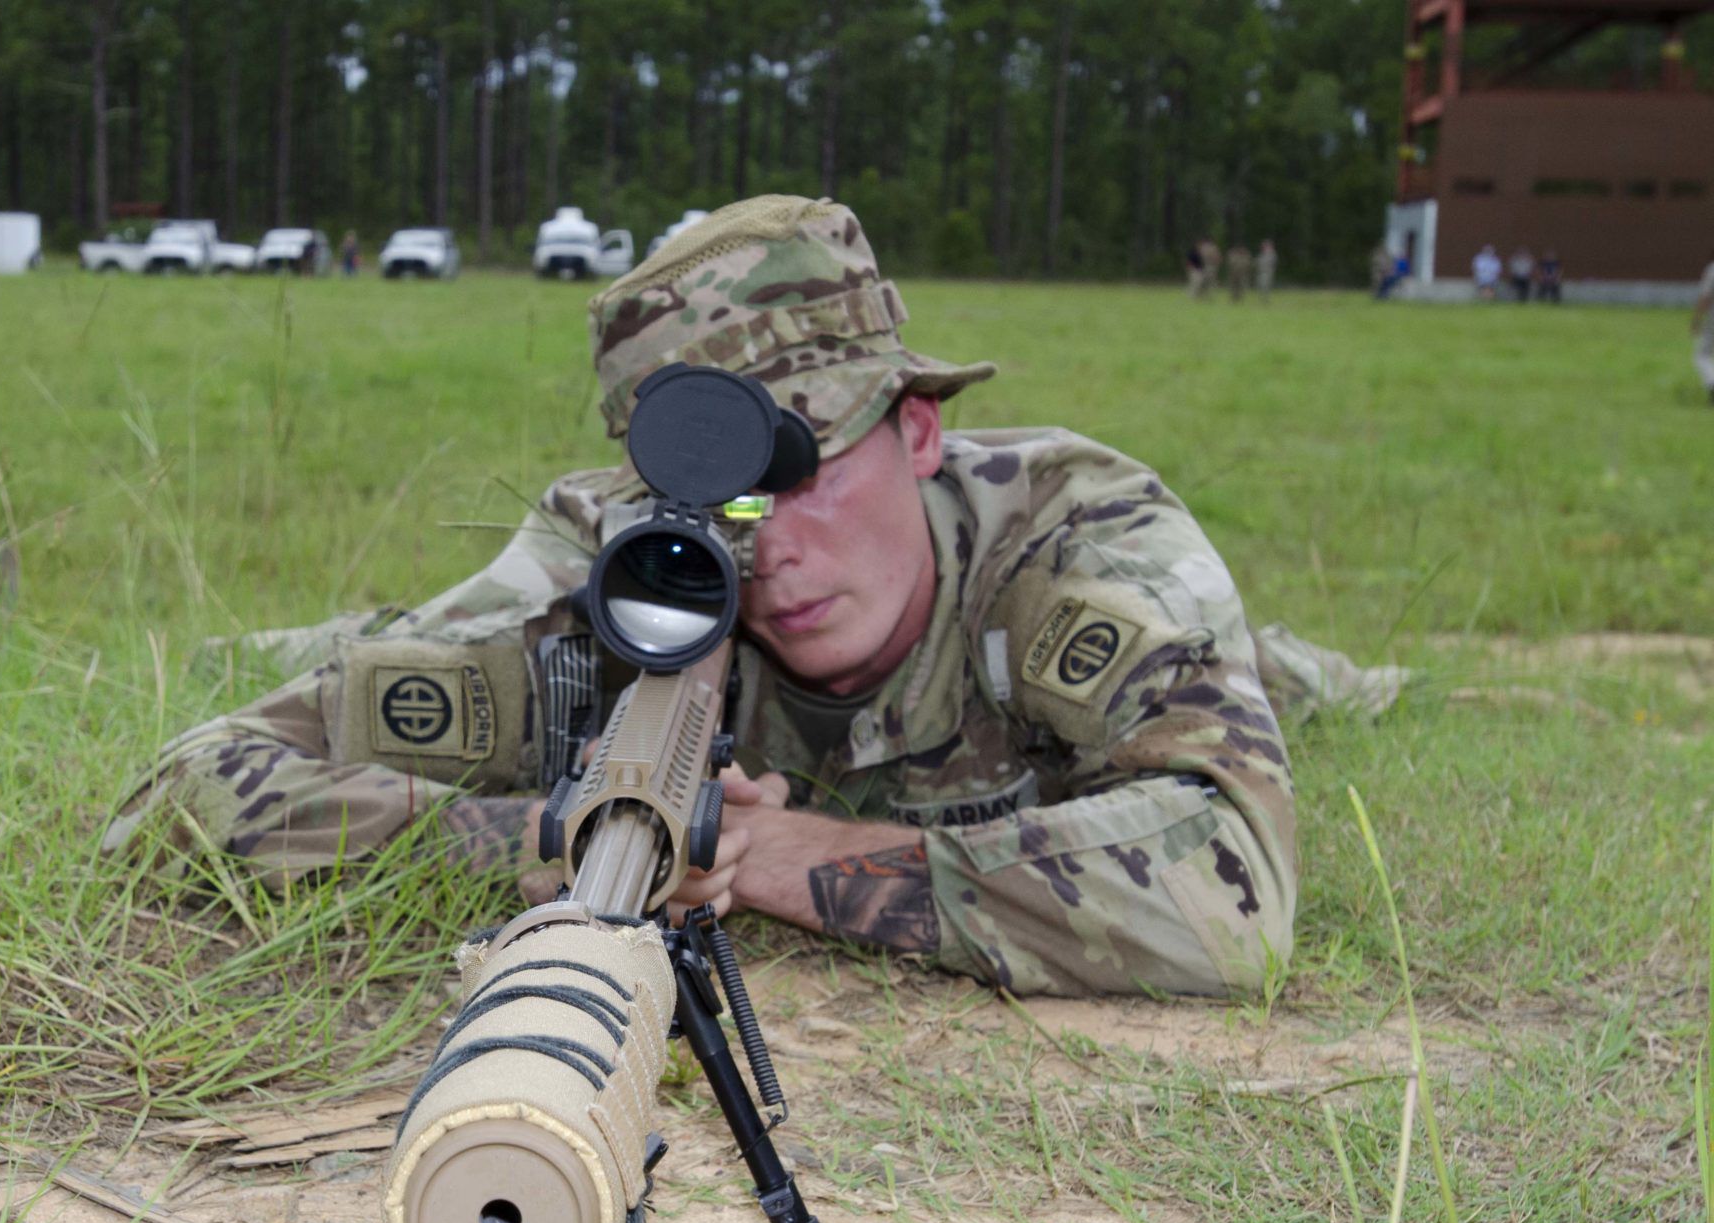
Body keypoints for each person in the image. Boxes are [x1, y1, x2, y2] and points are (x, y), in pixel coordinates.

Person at [106, 196, 1306, 999]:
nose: (764, 544)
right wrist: (553, 837)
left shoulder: (1072, 538)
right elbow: (177, 793)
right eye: (715, 499)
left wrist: (786, 857)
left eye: (801, 471)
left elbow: (1227, 891)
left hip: (1164, 669)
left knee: (1301, 683)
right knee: (357, 643)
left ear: (919, 427)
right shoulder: (614, 582)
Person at [1694, 250, 1714, 404]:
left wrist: (1697, 319)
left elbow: (1706, 297)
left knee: (1702, 355)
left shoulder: (1712, 270)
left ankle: (1711, 382)